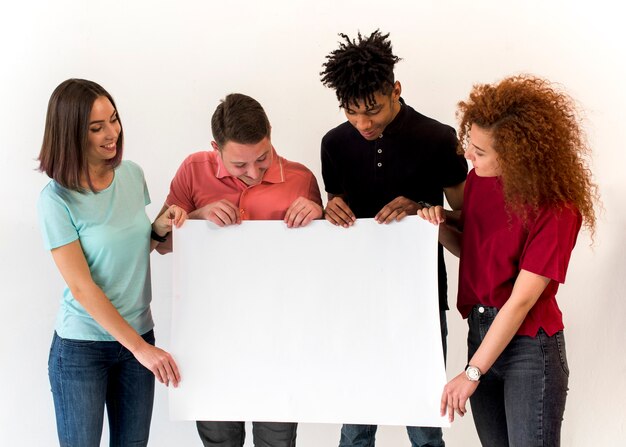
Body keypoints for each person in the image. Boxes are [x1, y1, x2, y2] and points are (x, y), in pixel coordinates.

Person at [419, 75, 598, 446]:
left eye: (480, 151)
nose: (468, 155)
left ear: (515, 153)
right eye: (471, 143)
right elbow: (473, 250)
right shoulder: (480, 181)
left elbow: (520, 301)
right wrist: (433, 226)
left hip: (529, 349)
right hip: (481, 335)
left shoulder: (557, 207)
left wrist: (471, 373)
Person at [319, 30, 468, 447]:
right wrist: (331, 209)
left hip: (420, 299)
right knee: (355, 427)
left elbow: (471, 220)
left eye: (373, 110)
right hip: (356, 297)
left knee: (424, 423)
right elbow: (339, 220)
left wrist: (425, 209)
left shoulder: (439, 139)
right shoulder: (333, 144)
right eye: (352, 112)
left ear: (395, 89)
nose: (363, 123)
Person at [155, 92, 323, 447]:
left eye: (262, 159)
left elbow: (317, 265)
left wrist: (318, 218)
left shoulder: (301, 179)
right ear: (215, 147)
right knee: (219, 441)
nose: (252, 173)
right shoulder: (192, 169)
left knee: (277, 442)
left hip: (279, 338)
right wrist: (196, 218)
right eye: (239, 165)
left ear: (271, 133)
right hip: (210, 339)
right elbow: (161, 243)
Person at [37, 78, 187, 446]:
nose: (112, 133)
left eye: (114, 119)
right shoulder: (56, 200)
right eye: (96, 127)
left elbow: (132, 249)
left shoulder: (131, 175)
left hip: (139, 337)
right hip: (82, 348)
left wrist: (160, 228)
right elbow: (82, 286)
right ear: (70, 133)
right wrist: (141, 348)